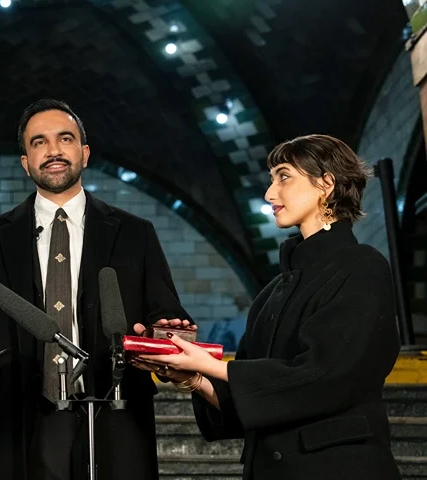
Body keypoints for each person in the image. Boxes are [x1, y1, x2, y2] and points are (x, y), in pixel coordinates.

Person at [0, 99, 194, 480]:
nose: (53, 150)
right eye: (38, 142)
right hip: (13, 426)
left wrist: (167, 336)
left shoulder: (134, 233)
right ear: (25, 162)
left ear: (84, 152)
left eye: (65, 138)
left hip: (112, 416)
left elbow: (164, 316)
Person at [133, 134, 402, 480]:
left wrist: (213, 366)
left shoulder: (362, 266)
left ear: (326, 184)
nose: (270, 193)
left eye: (284, 176)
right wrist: (193, 375)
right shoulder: (272, 291)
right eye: (271, 179)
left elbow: (323, 376)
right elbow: (249, 403)